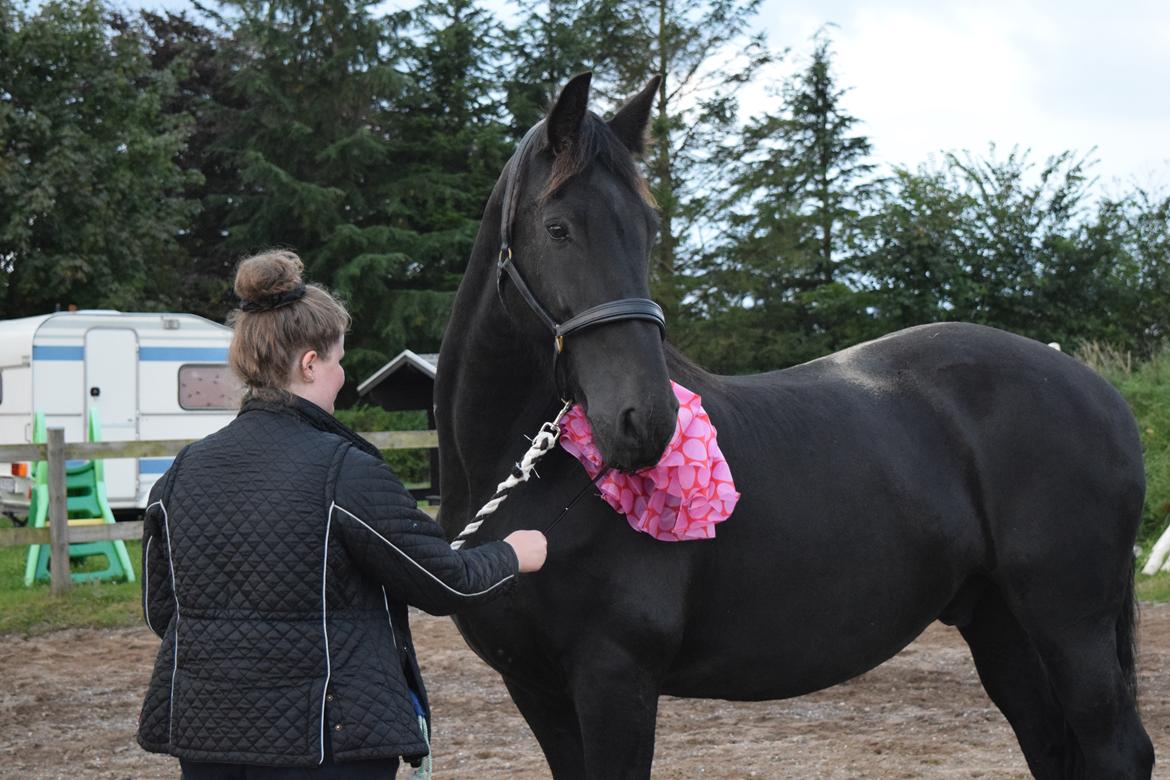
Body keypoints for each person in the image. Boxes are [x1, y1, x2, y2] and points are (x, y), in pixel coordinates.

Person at [137, 249, 547, 778]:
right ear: (310, 363)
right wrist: (514, 553)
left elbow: (162, 612)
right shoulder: (346, 471)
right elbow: (444, 583)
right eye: (337, 359)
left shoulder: (181, 471)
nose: (341, 373)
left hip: (206, 741)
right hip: (328, 744)